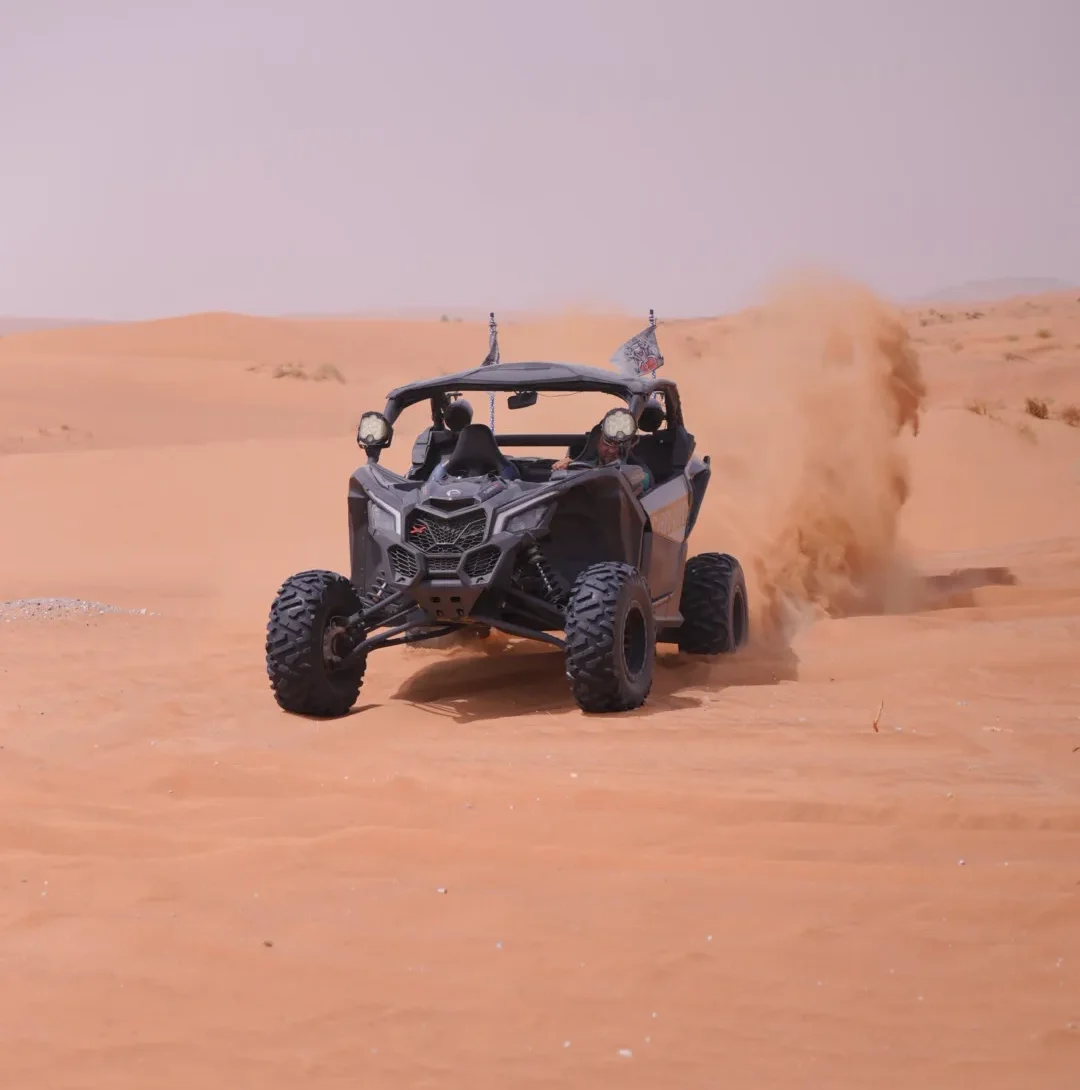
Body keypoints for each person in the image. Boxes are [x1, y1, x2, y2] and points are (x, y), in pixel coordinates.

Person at [553, 424, 653, 495]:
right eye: (608, 442)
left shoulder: (635, 471)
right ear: (597, 441)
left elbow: (642, 479)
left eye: (619, 445)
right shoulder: (579, 465)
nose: (612, 451)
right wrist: (564, 468)